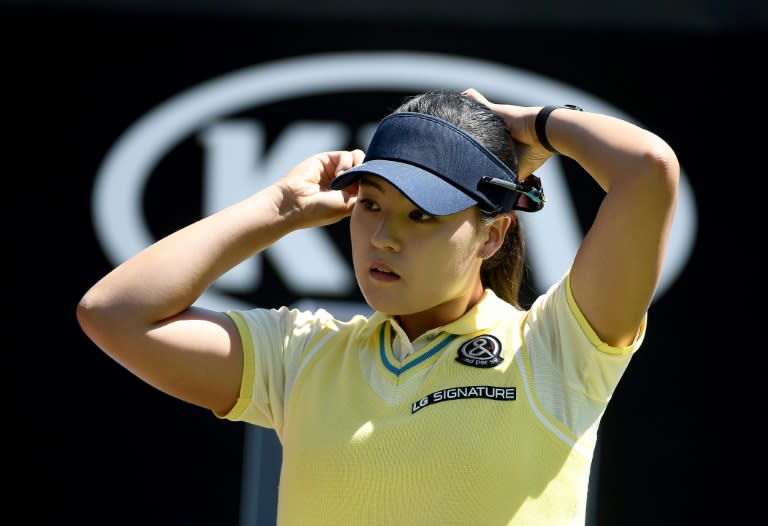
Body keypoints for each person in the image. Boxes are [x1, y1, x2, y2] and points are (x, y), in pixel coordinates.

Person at [76, 88, 679, 525]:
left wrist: (526, 124)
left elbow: (647, 171)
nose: (385, 238)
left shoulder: (555, 352)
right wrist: (280, 208)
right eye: (371, 204)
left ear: (492, 235)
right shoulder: (301, 356)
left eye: (422, 214)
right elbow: (115, 313)